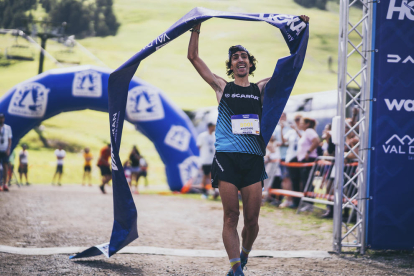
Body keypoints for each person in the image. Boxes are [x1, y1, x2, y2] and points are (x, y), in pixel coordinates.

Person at [188, 14, 310, 276]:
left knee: (252, 221)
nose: (240, 60)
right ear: (231, 65)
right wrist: (196, 27)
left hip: (253, 159)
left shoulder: (261, 88)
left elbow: (291, 67)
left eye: (244, 56)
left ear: (250, 63)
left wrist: (299, 29)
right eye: (235, 57)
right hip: (227, 159)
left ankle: (243, 255)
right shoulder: (222, 87)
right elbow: (194, 59)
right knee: (231, 216)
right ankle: (236, 270)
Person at [279, 114, 303, 208]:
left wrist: (296, 130)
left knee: (300, 180)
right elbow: (284, 141)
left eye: (298, 120)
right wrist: (281, 128)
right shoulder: (290, 132)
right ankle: (293, 201)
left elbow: (303, 139)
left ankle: (299, 201)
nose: (296, 122)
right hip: (290, 158)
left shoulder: (303, 131)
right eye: (295, 120)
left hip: (299, 158)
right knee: (293, 180)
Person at [196, 122, 216, 199]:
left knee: (213, 175)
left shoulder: (215, 136)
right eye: (212, 127)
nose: (213, 128)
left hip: (213, 159)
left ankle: (214, 191)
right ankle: (204, 192)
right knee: (206, 175)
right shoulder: (202, 136)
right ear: (209, 127)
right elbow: (199, 146)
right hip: (205, 159)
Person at [0, 113, 12, 191]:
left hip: (5, 150)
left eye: (2, 118)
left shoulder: (7, 128)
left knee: (5, 167)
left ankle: (5, 184)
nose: (1, 119)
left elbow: (9, 139)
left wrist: (8, 149)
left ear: (4, 119)